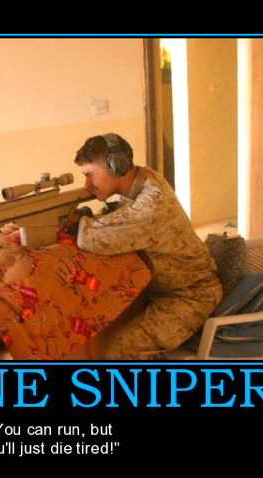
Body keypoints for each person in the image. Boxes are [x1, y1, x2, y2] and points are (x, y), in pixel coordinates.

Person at [70, 133, 223, 360]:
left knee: (117, 349)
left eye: (90, 175)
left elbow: (90, 238)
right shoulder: (143, 179)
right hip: (160, 290)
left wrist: (73, 223)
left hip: (190, 297)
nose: (87, 184)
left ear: (117, 166)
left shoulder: (152, 203)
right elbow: (120, 217)